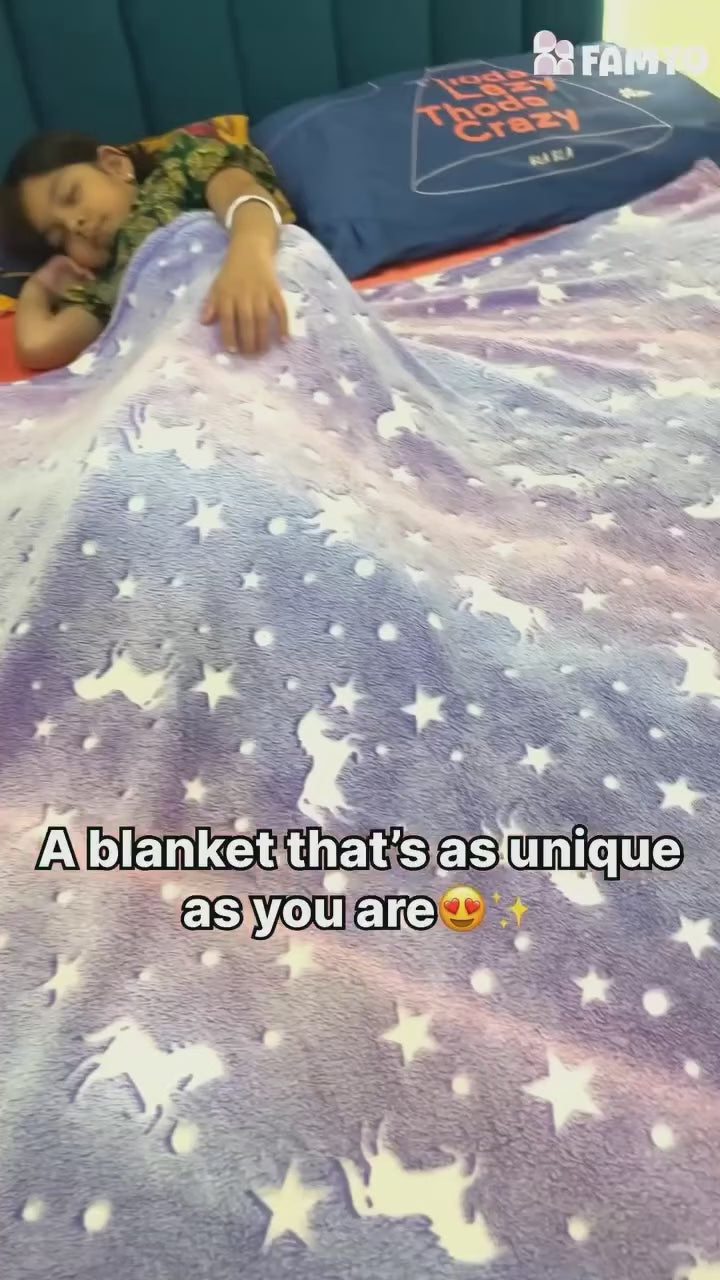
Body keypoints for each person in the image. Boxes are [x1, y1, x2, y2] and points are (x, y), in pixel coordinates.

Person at [0, 128, 295, 370]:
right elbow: (38, 346)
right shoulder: (108, 285)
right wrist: (38, 288)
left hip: (264, 281)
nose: (73, 224)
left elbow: (245, 196)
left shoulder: (177, 172)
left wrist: (248, 254)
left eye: (71, 195)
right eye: (59, 237)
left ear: (114, 165)